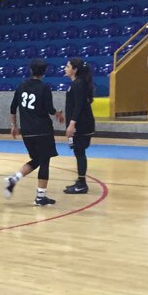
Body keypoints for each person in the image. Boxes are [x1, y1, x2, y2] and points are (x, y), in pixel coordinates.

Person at [6, 59, 59, 206]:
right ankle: (40, 197)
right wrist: (58, 113)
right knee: (44, 162)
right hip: (42, 130)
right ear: (44, 72)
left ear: (30, 70)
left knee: (36, 160)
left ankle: (14, 179)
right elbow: (50, 109)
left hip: (27, 131)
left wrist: (14, 126)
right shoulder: (44, 87)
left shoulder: (21, 86)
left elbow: (12, 108)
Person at [63, 58, 95, 195]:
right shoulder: (77, 84)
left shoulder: (78, 84)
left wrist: (72, 124)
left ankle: (82, 184)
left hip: (82, 125)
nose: (65, 68)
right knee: (78, 151)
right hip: (81, 124)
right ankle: (80, 180)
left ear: (74, 70)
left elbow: (79, 106)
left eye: (68, 66)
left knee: (80, 152)